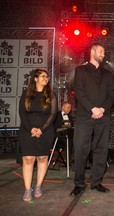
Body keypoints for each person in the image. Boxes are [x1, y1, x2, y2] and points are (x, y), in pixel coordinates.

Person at [70, 43, 114, 196]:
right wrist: (92, 108)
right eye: (101, 51)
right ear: (93, 51)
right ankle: (79, 183)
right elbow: (79, 92)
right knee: (81, 150)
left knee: (101, 150)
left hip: (103, 117)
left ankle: (96, 182)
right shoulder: (80, 70)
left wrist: (102, 109)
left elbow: (111, 95)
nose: (103, 54)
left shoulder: (108, 74)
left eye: (104, 52)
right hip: (85, 116)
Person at [19, 68, 58, 201]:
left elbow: (53, 114)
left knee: (42, 158)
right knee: (28, 159)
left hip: (45, 131)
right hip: (27, 130)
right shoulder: (26, 94)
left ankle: (38, 186)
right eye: (42, 76)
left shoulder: (51, 95)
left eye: (47, 77)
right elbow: (22, 113)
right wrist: (31, 129)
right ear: (35, 79)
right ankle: (27, 188)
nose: (45, 79)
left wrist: (41, 129)